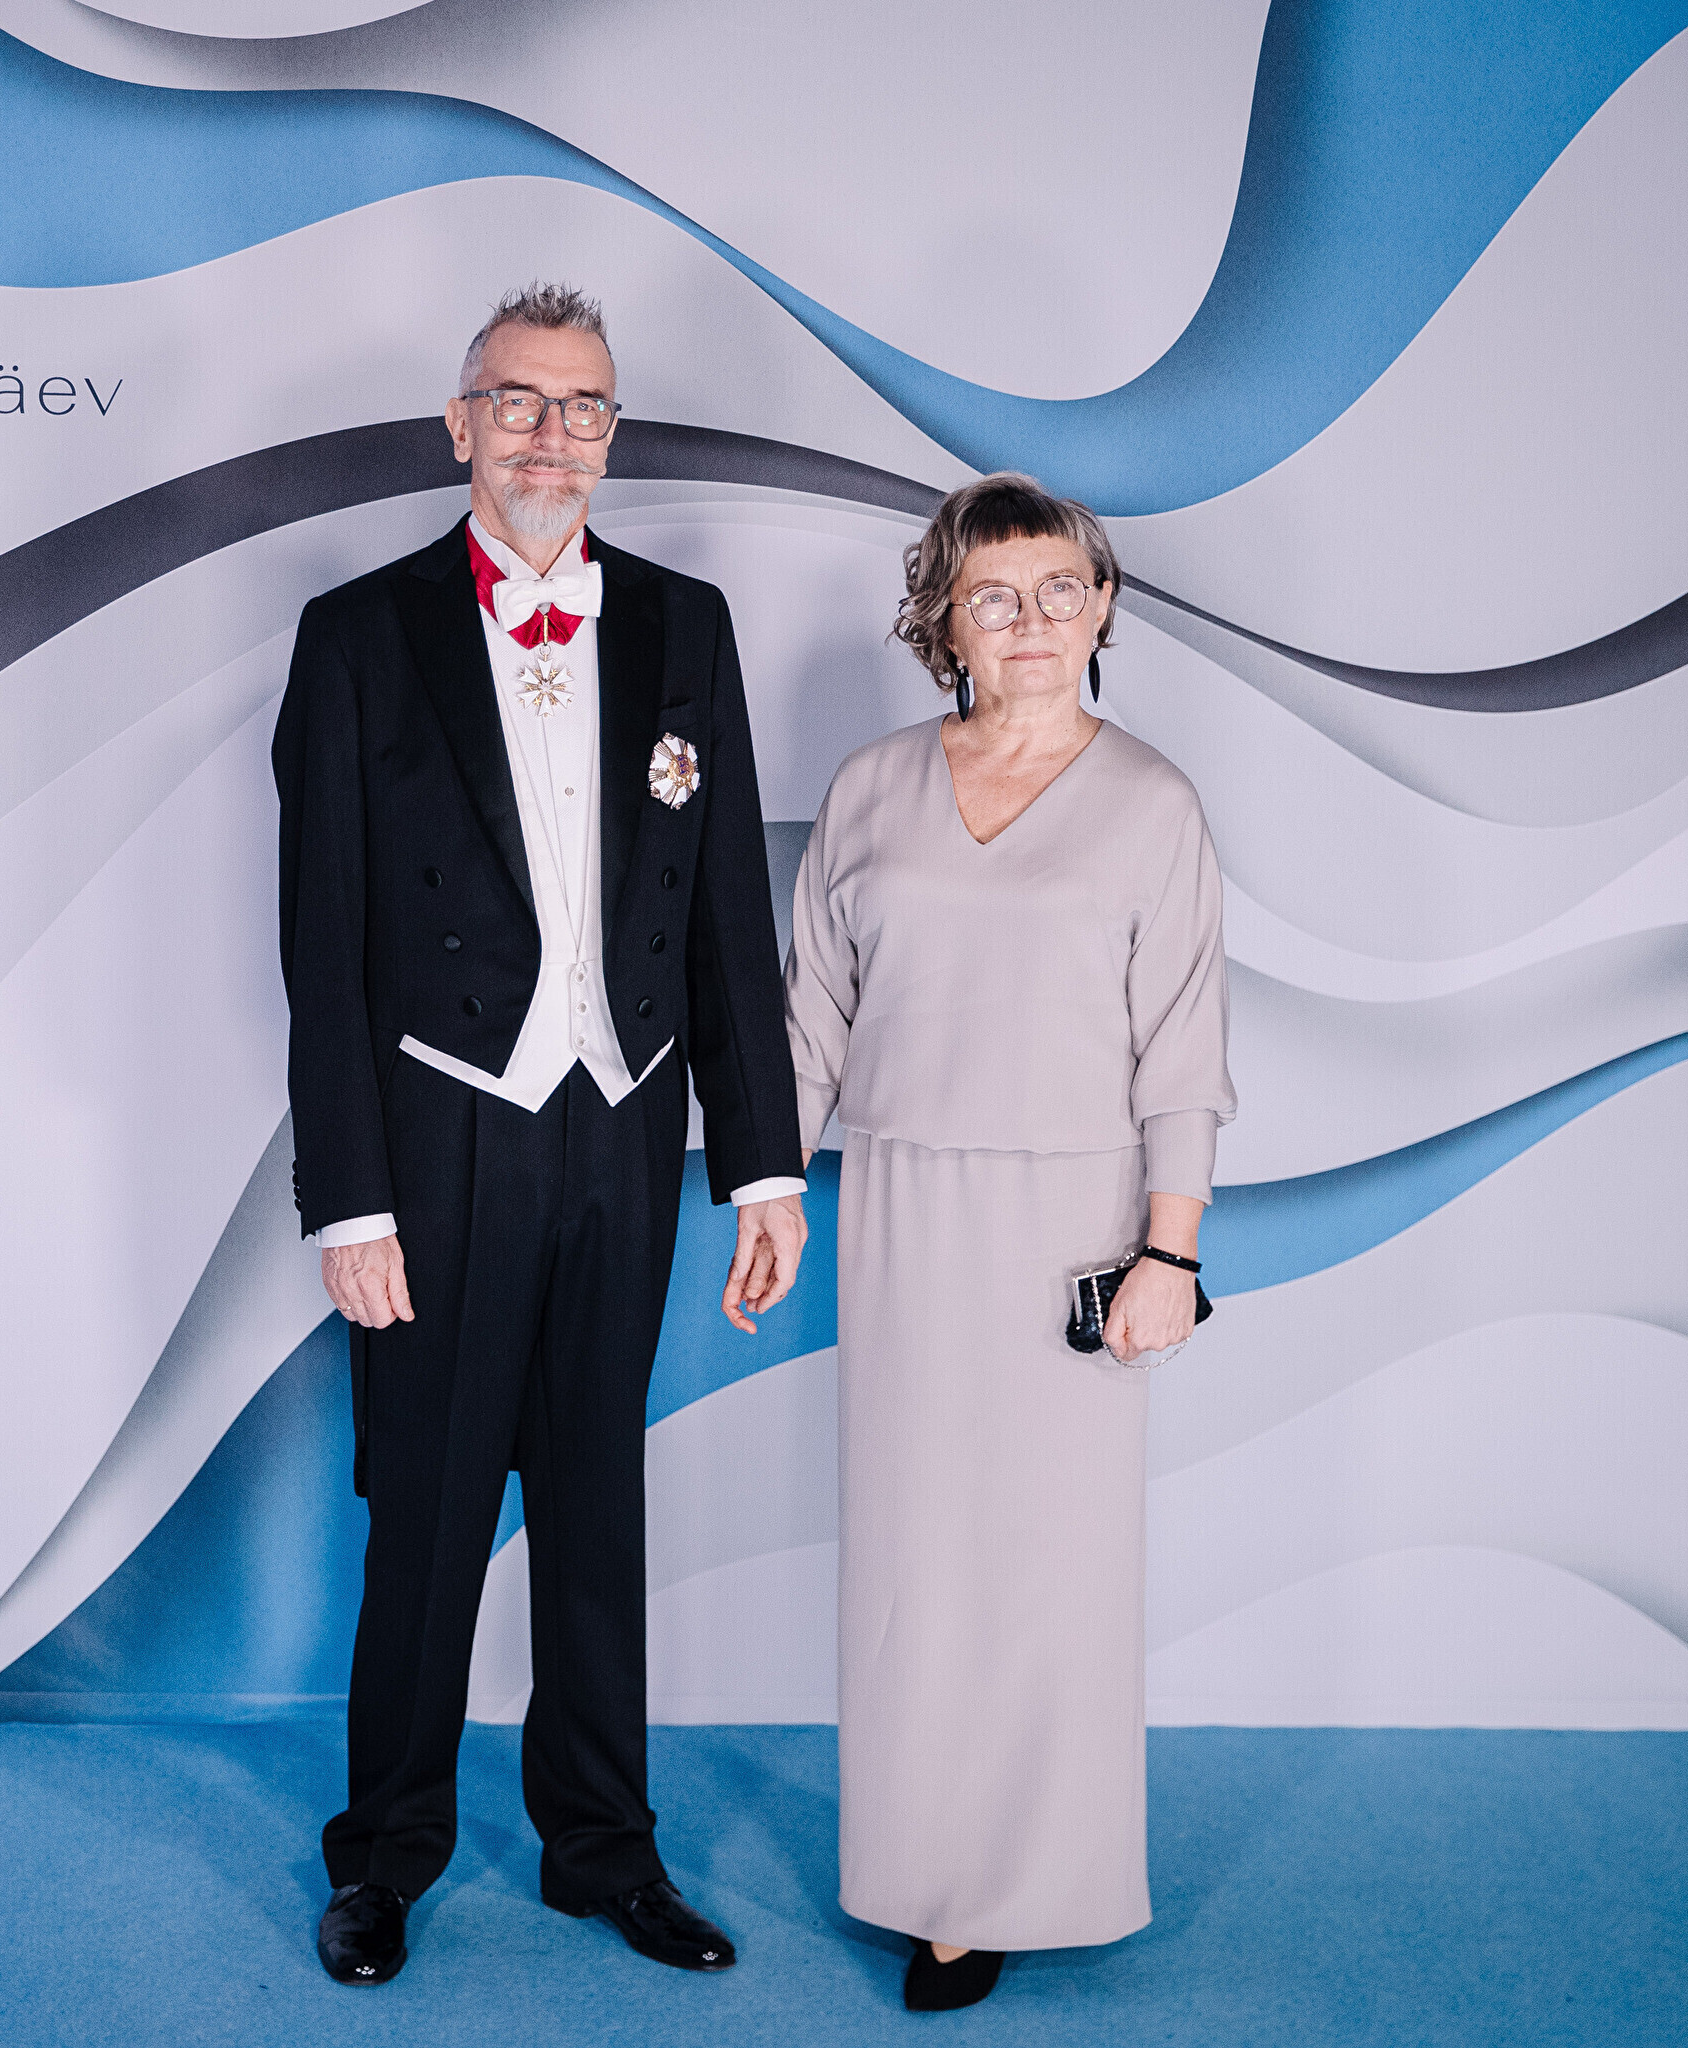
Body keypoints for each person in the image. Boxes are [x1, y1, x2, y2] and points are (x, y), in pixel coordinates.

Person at [274, 283, 811, 1986]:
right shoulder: (359, 635)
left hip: (624, 1128)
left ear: (610, 434)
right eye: (517, 401)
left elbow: (726, 916)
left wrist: (765, 1162)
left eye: (582, 408)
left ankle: (604, 1849)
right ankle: (386, 1858)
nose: (550, 436)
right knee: (428, 1518)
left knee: (595, 1510)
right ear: (462, 424)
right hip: (440, 1138)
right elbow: (322, 944)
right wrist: (350, 1200)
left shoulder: (685, 625)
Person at [784, 473, 1235, 2012]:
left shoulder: (1155, 806)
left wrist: (1169, 1256)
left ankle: (1038, 1879)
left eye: (1059, 590)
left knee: (1052, 1566)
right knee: (916, 1560)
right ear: (943, 621)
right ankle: (937, 1889)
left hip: (1077, 1224)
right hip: (902, 1210)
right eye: (993, 594)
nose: (1030, 620)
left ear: (1102, 610)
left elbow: (1184, 1053)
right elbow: (810, 1017)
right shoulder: (870, 789)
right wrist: (765, 1190)